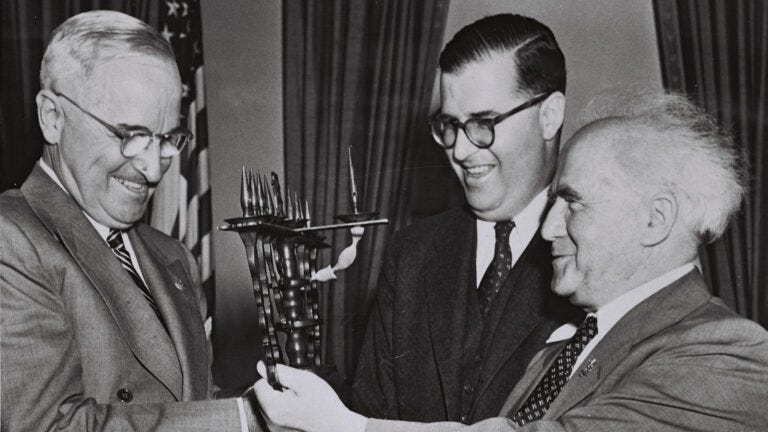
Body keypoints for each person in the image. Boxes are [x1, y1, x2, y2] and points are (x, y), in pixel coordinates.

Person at [253, 91, 768, 431]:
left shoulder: (731, 355)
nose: (547, 229)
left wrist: (346, 427)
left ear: (655, 220)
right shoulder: (566, 344)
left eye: (573, 202)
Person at [0, 11, 261, 431]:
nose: (154, 169)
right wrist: (244, 421)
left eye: (167, 139)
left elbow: (187, 406)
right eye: (131, 135)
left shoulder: (172, 256)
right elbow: (46, 426)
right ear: (53, 116)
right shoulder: (11, 238)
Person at [352, 14, 580, 424]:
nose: (459, 150)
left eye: (483, 123)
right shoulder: (410, 255)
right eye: (450, 125)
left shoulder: (598, 255)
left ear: (549, 114)